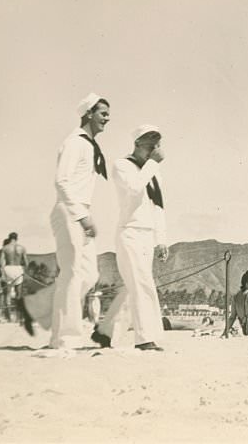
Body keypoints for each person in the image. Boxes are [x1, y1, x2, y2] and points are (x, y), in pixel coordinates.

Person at [22, 93, 110, 348]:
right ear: (89, 114)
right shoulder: (75, 143)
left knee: (89, 274)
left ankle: (37, 305)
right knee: (72, 275)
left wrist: (85, 214)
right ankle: (65, 338)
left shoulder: (88, 144)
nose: (107, 118)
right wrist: (81, 216)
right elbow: (62, 181)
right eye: (103, 113)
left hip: (81, 211)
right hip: (70, 211)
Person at [92, 125, 168, 351]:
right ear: (137, 145)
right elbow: (134, 189)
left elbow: (158, 206)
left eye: (157, 144)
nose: (154, 149)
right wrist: (153, 163)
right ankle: (144, 339)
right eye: (149, 145)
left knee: (133, 286)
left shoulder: (152, 172)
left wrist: (161, 238)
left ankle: (105, 332)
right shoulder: (122, 166)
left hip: (147, 235)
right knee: (141, 283)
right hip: (130, 232)